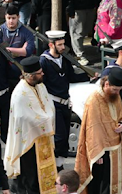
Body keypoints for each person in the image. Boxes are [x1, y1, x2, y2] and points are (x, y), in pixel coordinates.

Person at [75, 67, 122, 194]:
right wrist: (96, 154)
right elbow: (92, 128)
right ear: (106, 85)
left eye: (119, 90)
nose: (117, 93)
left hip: (116, 147)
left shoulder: (115, 96)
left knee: (114, 181)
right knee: (102, 184)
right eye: (115, 89)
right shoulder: (94, 100)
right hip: (101, 150)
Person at [5, 56, 56, 194]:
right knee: (31, 167)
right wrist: (44, 120)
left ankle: (44, 191)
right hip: (29, 136)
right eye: (40, 73)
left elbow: (48, 104)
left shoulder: (40, 86)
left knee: (44, 164)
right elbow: (23, 116)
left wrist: (48, 117)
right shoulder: (20, 93)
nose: (43, 75)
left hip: (43, 132)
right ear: (31, 75)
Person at [40, 30, 96, 168]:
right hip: (53, 103)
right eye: (59, 45)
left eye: (63, 44)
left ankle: (60, 164)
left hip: (65, 103)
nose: (63, 47)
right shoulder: (44, 61)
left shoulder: (64, 59)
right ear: (51, 45)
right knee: (58, 137)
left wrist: (88, 77)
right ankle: (55, 166)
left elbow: (71, 76)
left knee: (64, 137)